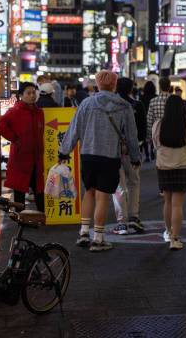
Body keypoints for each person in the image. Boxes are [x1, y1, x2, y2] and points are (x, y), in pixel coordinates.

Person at [59, 70, 141, 252]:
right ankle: (98, 238)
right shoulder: (124, 106)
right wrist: (135, 157)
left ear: (97, 84)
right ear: (114, 84)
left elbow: (75, 129)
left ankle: (83, 233)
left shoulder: (86, 104)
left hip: (88, 155)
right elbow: (131, 136)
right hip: (109, 156)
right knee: (103, 196)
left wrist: (64, 151)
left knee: (89, 192)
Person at [152, 95, 186, 249]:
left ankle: (168, 231)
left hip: (164, 166)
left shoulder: (159, 124)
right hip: (183, 166)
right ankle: (175, 239)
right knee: (177, 204)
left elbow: (155, 143)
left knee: (168, 201)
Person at [0, 82, 45, 212]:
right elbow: (1, 124)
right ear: (21, 95)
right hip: (20, 158)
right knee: (19, 189)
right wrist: (14, 138)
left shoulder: (39, 112)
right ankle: (20, 218)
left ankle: (41, 216)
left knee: (39, 188)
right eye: (28, 93)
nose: (32, 95)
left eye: (34, 92)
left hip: (36, 158)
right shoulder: (14, 111)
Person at [111, 77, 147, 235]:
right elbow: (142, 131)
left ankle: (121, 220)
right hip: (133, 149)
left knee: (119, 186)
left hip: (113, 150)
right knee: (134, 182)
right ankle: (134, 216)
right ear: (131, 89)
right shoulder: (137, 105)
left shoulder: (111, 106)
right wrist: (137, 151)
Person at [146, 77, 173, 153]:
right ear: (169, 86)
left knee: (160, 158)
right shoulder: (174, 100)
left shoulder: (153, 101)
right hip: (173, 134)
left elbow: (149, 120)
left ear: (160, 87)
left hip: (158, 134)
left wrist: (149, 137)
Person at [140, 81, 157, 162]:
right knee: (154, 135)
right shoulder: (156, 97)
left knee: (145, 138)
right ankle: (153, 152)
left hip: (144, 119)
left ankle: (147, 155)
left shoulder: (142, 97)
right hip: (154, 119)